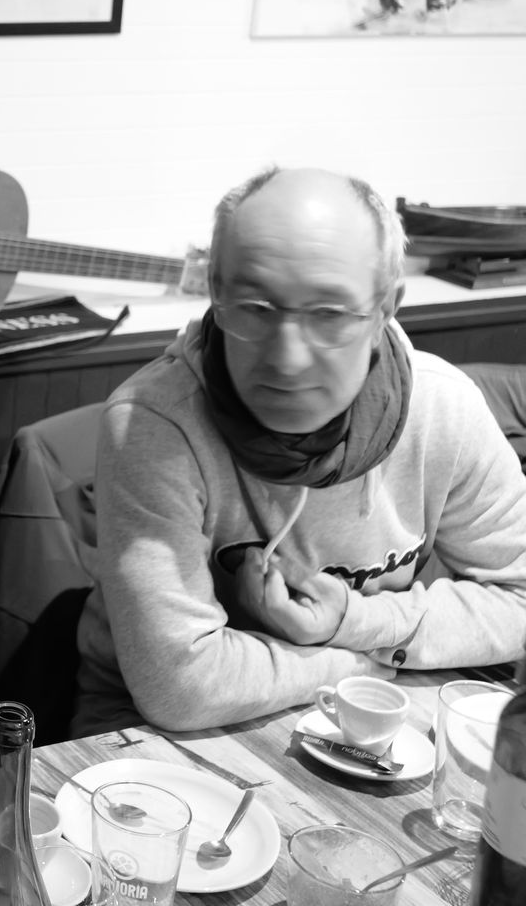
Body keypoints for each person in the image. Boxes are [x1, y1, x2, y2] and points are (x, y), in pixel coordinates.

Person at [73, 167, 526, 736]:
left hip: (367, 708)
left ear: (386, 308)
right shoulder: (155, 424)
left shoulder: (443, 410)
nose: (287, 360)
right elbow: (180, 687)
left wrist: (353, 621)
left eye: (330, 314)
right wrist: (364, 657)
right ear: (215, 290)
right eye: (255, 308)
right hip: (156, 732)